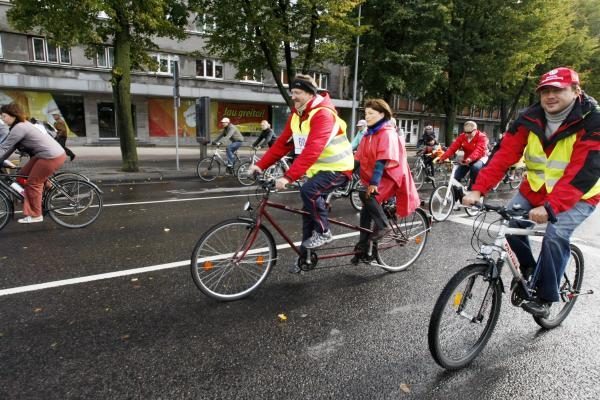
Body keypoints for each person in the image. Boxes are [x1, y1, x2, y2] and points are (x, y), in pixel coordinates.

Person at [463, 67, 600, 318]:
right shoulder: (529, 118)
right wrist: (478, 189)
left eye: (557, 90)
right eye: (545, 91)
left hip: (579, 194)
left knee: (556, 234)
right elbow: (504, 155)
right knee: (511, 222)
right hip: (535, 189)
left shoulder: (593, 121)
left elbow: (584, 171)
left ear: (576, 91)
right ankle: (527, 268)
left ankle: (547, 297)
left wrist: (551, 208)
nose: (550, 96)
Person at [247, 74, 354, 254]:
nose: (293, 96)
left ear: (310, 94)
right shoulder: (297, 115)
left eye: (297, 92)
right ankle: (305, 257)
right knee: (307, 213)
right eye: (292, 92)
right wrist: (260, 165)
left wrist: (288, 177)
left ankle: (324, 232)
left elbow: (313, 149)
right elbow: (282, 144)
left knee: (308, 192)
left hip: (338, 168)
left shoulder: (324, 115)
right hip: (317, 170)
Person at [351, 99, 420, 263]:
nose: (366, 117)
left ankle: (383, 226)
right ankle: (364, 247)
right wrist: (343, 174)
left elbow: (382, 162)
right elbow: (358, 158)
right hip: (375, 176)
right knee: (365, 212)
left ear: (382, 114)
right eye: (366, 113)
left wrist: (373, 184)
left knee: (366, 194)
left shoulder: (387, 132)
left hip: (389, 176)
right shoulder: (368, 134)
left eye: (371, 113)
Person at [0, 103, 67, 223]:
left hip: (51, 156)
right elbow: (9, 148)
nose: (2, 119)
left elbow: (4, 148)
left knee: (32, 183)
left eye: (4, 116)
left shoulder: (19, 127)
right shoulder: (20, 125)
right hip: (45, 155)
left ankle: (36, 215)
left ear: (13, 115)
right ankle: (42, 192)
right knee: (21, 176)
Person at [436, 120, 489, 190]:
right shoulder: (462, 136)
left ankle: (473, 187)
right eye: (465, 132)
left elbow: (478, 150)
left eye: (469, 132)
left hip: (480, 158)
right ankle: (455, 197)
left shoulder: (482, 137)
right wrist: (442, 158)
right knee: (456, 177)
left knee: (475, 168)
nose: (467, 134)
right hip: (467, 159)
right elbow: (452, 148)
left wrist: (469, 159)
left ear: (475, 130)